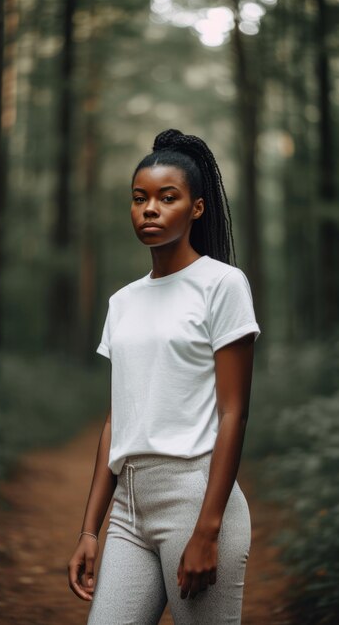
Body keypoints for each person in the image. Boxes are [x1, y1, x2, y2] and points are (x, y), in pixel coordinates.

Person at [68, 128, 261, 624]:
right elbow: (118, 420)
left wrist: (207, 529)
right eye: (139, 198)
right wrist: (91, 529)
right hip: (130, 509)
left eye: (166, 197)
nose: (149, 209)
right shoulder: (123, 302)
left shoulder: (221, 285)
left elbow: (233, 410)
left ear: (196, 208)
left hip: (194, 497)